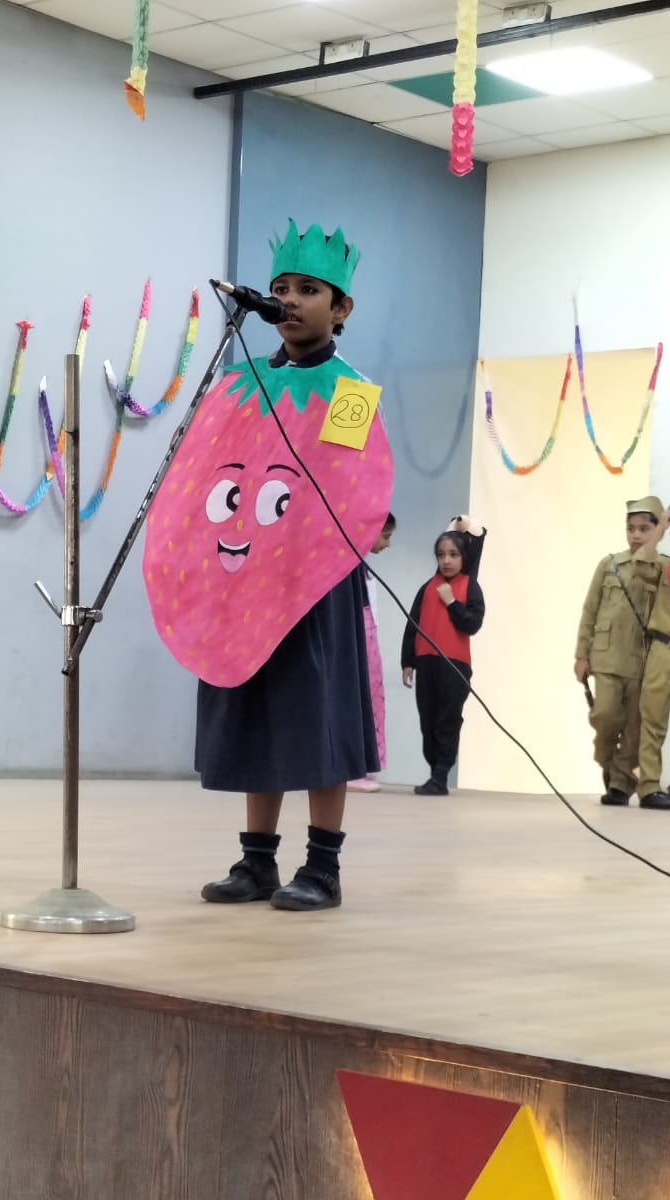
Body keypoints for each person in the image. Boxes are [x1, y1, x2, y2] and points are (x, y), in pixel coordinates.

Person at [148, 219, 393, 912]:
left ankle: (322, 866)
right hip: (245, 576)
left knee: (317, 713)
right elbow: (204, 474)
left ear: (340, 308)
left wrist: (298, 546)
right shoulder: (237, 383)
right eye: (281, 287)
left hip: (315, 581)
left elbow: (348, 487)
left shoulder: (351, 393)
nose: (288, 300)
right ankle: (256, 861)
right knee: (258, 707)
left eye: (308, 290)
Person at [574, 496, 664, 806]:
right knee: (604, 717)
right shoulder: (609, 564)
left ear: (657, 530)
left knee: (635, 729)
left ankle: (620, 785)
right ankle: (611, 767)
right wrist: (582, 654)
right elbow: (590, 610)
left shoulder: (661, 567)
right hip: (607, 657)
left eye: (644, 529)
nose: (636, 535)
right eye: (631, 528)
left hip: (642, 660)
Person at [401, 525, 485, 796]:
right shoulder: (427, 587)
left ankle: (440, 775)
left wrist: (452, 603)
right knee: (427, 720)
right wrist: (408, 661)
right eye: (441, 554)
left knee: (447, 720)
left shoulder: (470, 587)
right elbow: (413, 624)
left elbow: (472, 624)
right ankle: (434, 772)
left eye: (453, 554)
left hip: (454, 665)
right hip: (426, 662)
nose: (446, 560)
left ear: (464, 557)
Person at [347, 512, 396, 794]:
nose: (387, 544)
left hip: (368, 635)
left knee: (371, 697)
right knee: (357, 697)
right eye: (385, 536)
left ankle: (361, 766)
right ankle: (352, 768)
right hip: (358, 636)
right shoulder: (349, 564)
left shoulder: (361, 565)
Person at [627, 504, 670, 809]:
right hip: (663, 648)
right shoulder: (663, 564)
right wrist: (662, 525)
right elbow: (639, 564)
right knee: (652, 718)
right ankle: (650, 787)